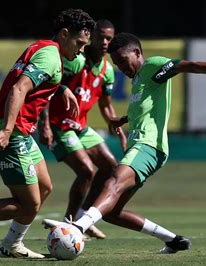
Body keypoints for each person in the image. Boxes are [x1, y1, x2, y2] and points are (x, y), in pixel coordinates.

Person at [44, 32, 206, 253]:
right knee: (113, 213)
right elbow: (144, 110)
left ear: (137, 53)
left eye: (124, 60)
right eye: (117, 64)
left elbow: (187, 65)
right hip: (142, 148)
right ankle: (174, 240)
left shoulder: (153, 66)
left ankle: (78, 227)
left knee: (113, 181)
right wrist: (123, 119)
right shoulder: (138, 80)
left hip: (148, 146)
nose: (121, 67)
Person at [0, 9, 95, 259]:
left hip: (21, 134)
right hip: (11, 135)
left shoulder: (43, 48)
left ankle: (12, 244)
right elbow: (19, 88)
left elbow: (35, 83)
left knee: (45, 187)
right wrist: (7, 130)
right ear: (64, 34)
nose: (81, 51)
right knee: (28, 203)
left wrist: (61, 87)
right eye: (79, 44)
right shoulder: (51, 57)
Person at [39, 19, 126, 240]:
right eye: (101, 37)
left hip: (81, 127)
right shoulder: (75, 61)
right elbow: (49, 88)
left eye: (110, 38)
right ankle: (69, 224)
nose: (105, 42)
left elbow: (105, 104)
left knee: (110, 167)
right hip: (61, 126)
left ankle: (82, 216)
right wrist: (45, 124)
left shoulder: (107, 70)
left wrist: (114, 123)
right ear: (91, 36)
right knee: (87, 170)